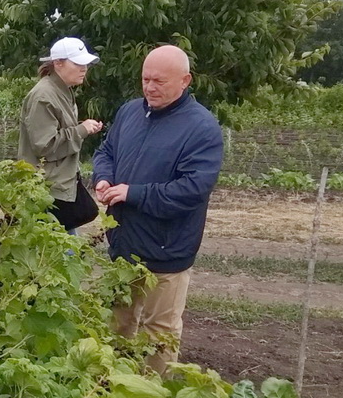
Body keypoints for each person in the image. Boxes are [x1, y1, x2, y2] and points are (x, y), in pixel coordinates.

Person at [92, 44, 223, 369]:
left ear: (185, 80)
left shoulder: (202, 128)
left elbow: (193, 189)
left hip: (167, 250)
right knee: (116, 322)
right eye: (145, 79)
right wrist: (104, 179)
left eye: (159, 81)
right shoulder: (130, 112)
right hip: (124, 243)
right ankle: (110, 388)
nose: (150, 87)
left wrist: (133, 194)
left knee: (158, 332)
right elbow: (106, 151)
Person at [18, 37, 103, 231]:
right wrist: (81, 130)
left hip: (56, 186)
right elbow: (45, 146)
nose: (85, 68)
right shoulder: (44, 96)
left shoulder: (62, 90)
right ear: (58, 63)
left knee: (61, 249)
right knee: (58, 253)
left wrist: (82, 127)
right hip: (46, 190)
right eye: (78, 63)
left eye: (86, 63)